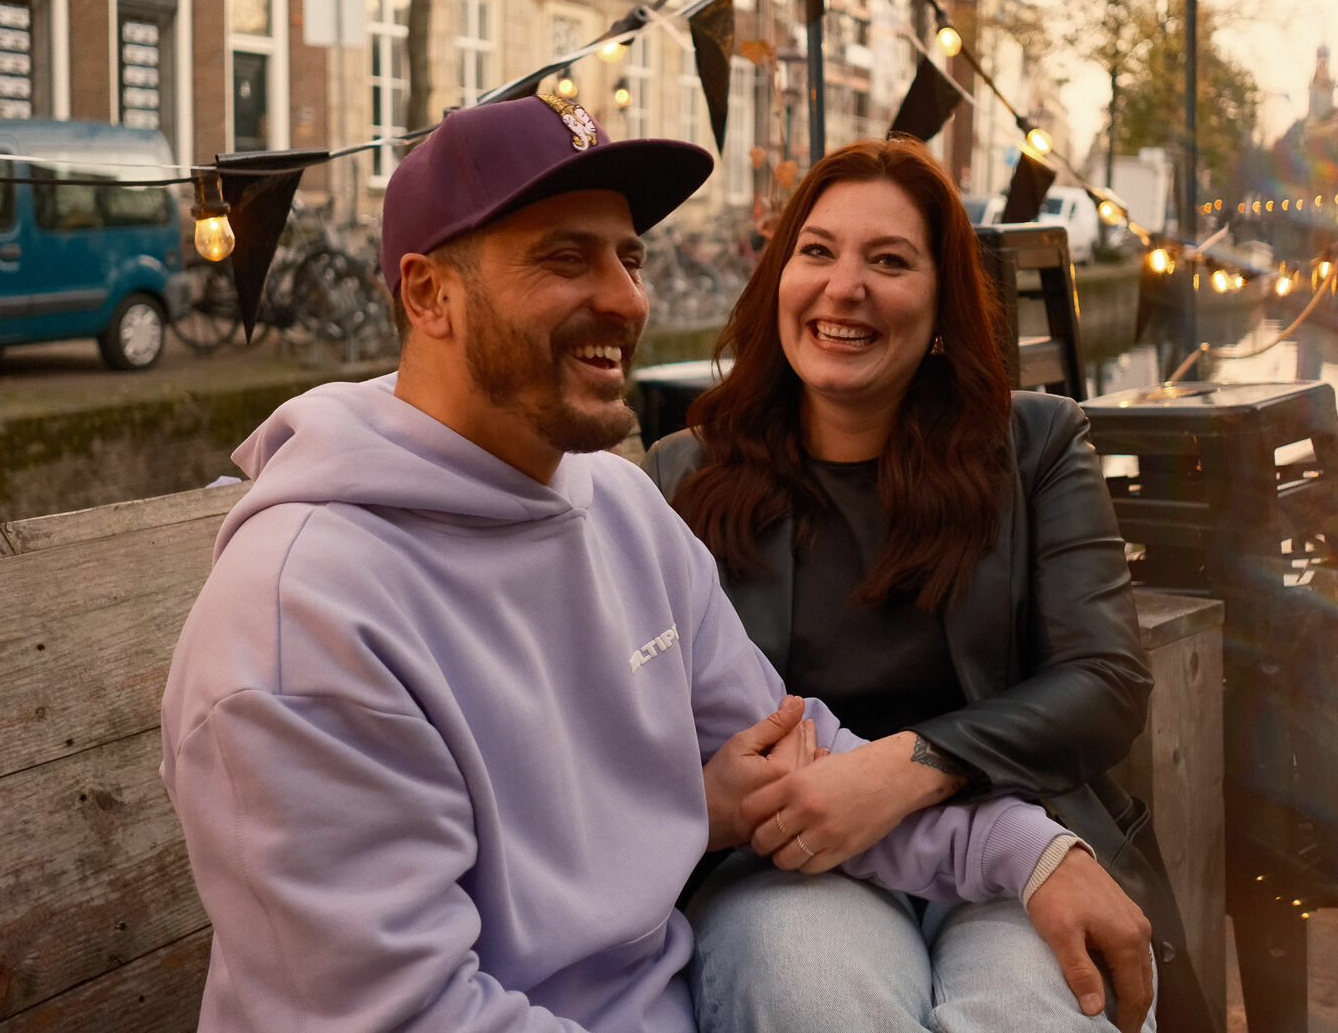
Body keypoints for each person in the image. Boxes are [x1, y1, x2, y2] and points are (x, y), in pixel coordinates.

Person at [159, 95, 1140, 1033]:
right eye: (566, 258)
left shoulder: (620, 503)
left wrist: (1030, 847)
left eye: (630, 256)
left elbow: (793, 755)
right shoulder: (306, 619)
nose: (628, 298)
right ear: (429, 293)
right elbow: (404, 1010)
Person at [643, 136, 1215, 1033]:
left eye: (890, 261)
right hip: (791, 865)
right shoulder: (683, 475)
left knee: (1037, 1013)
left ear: (945, 302)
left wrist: (909, 766)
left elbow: (1104, 682)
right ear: (777, 284)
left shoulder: (1036, 447)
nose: (844, 288)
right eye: (818, 252)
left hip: (1012, 832)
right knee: (815, 1001)